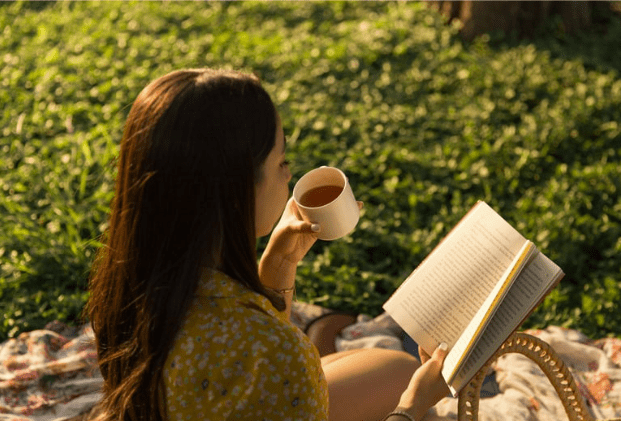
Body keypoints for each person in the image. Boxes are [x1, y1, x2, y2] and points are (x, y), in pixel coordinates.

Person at [85, 68, 450, 421]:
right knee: (409, 387)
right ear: (238, 192)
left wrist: (280, 262)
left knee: (397, 369)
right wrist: (412, 409)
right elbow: (263, 352)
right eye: (281, 161)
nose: (289, 174)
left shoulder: (129, 286)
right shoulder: (275, 353)